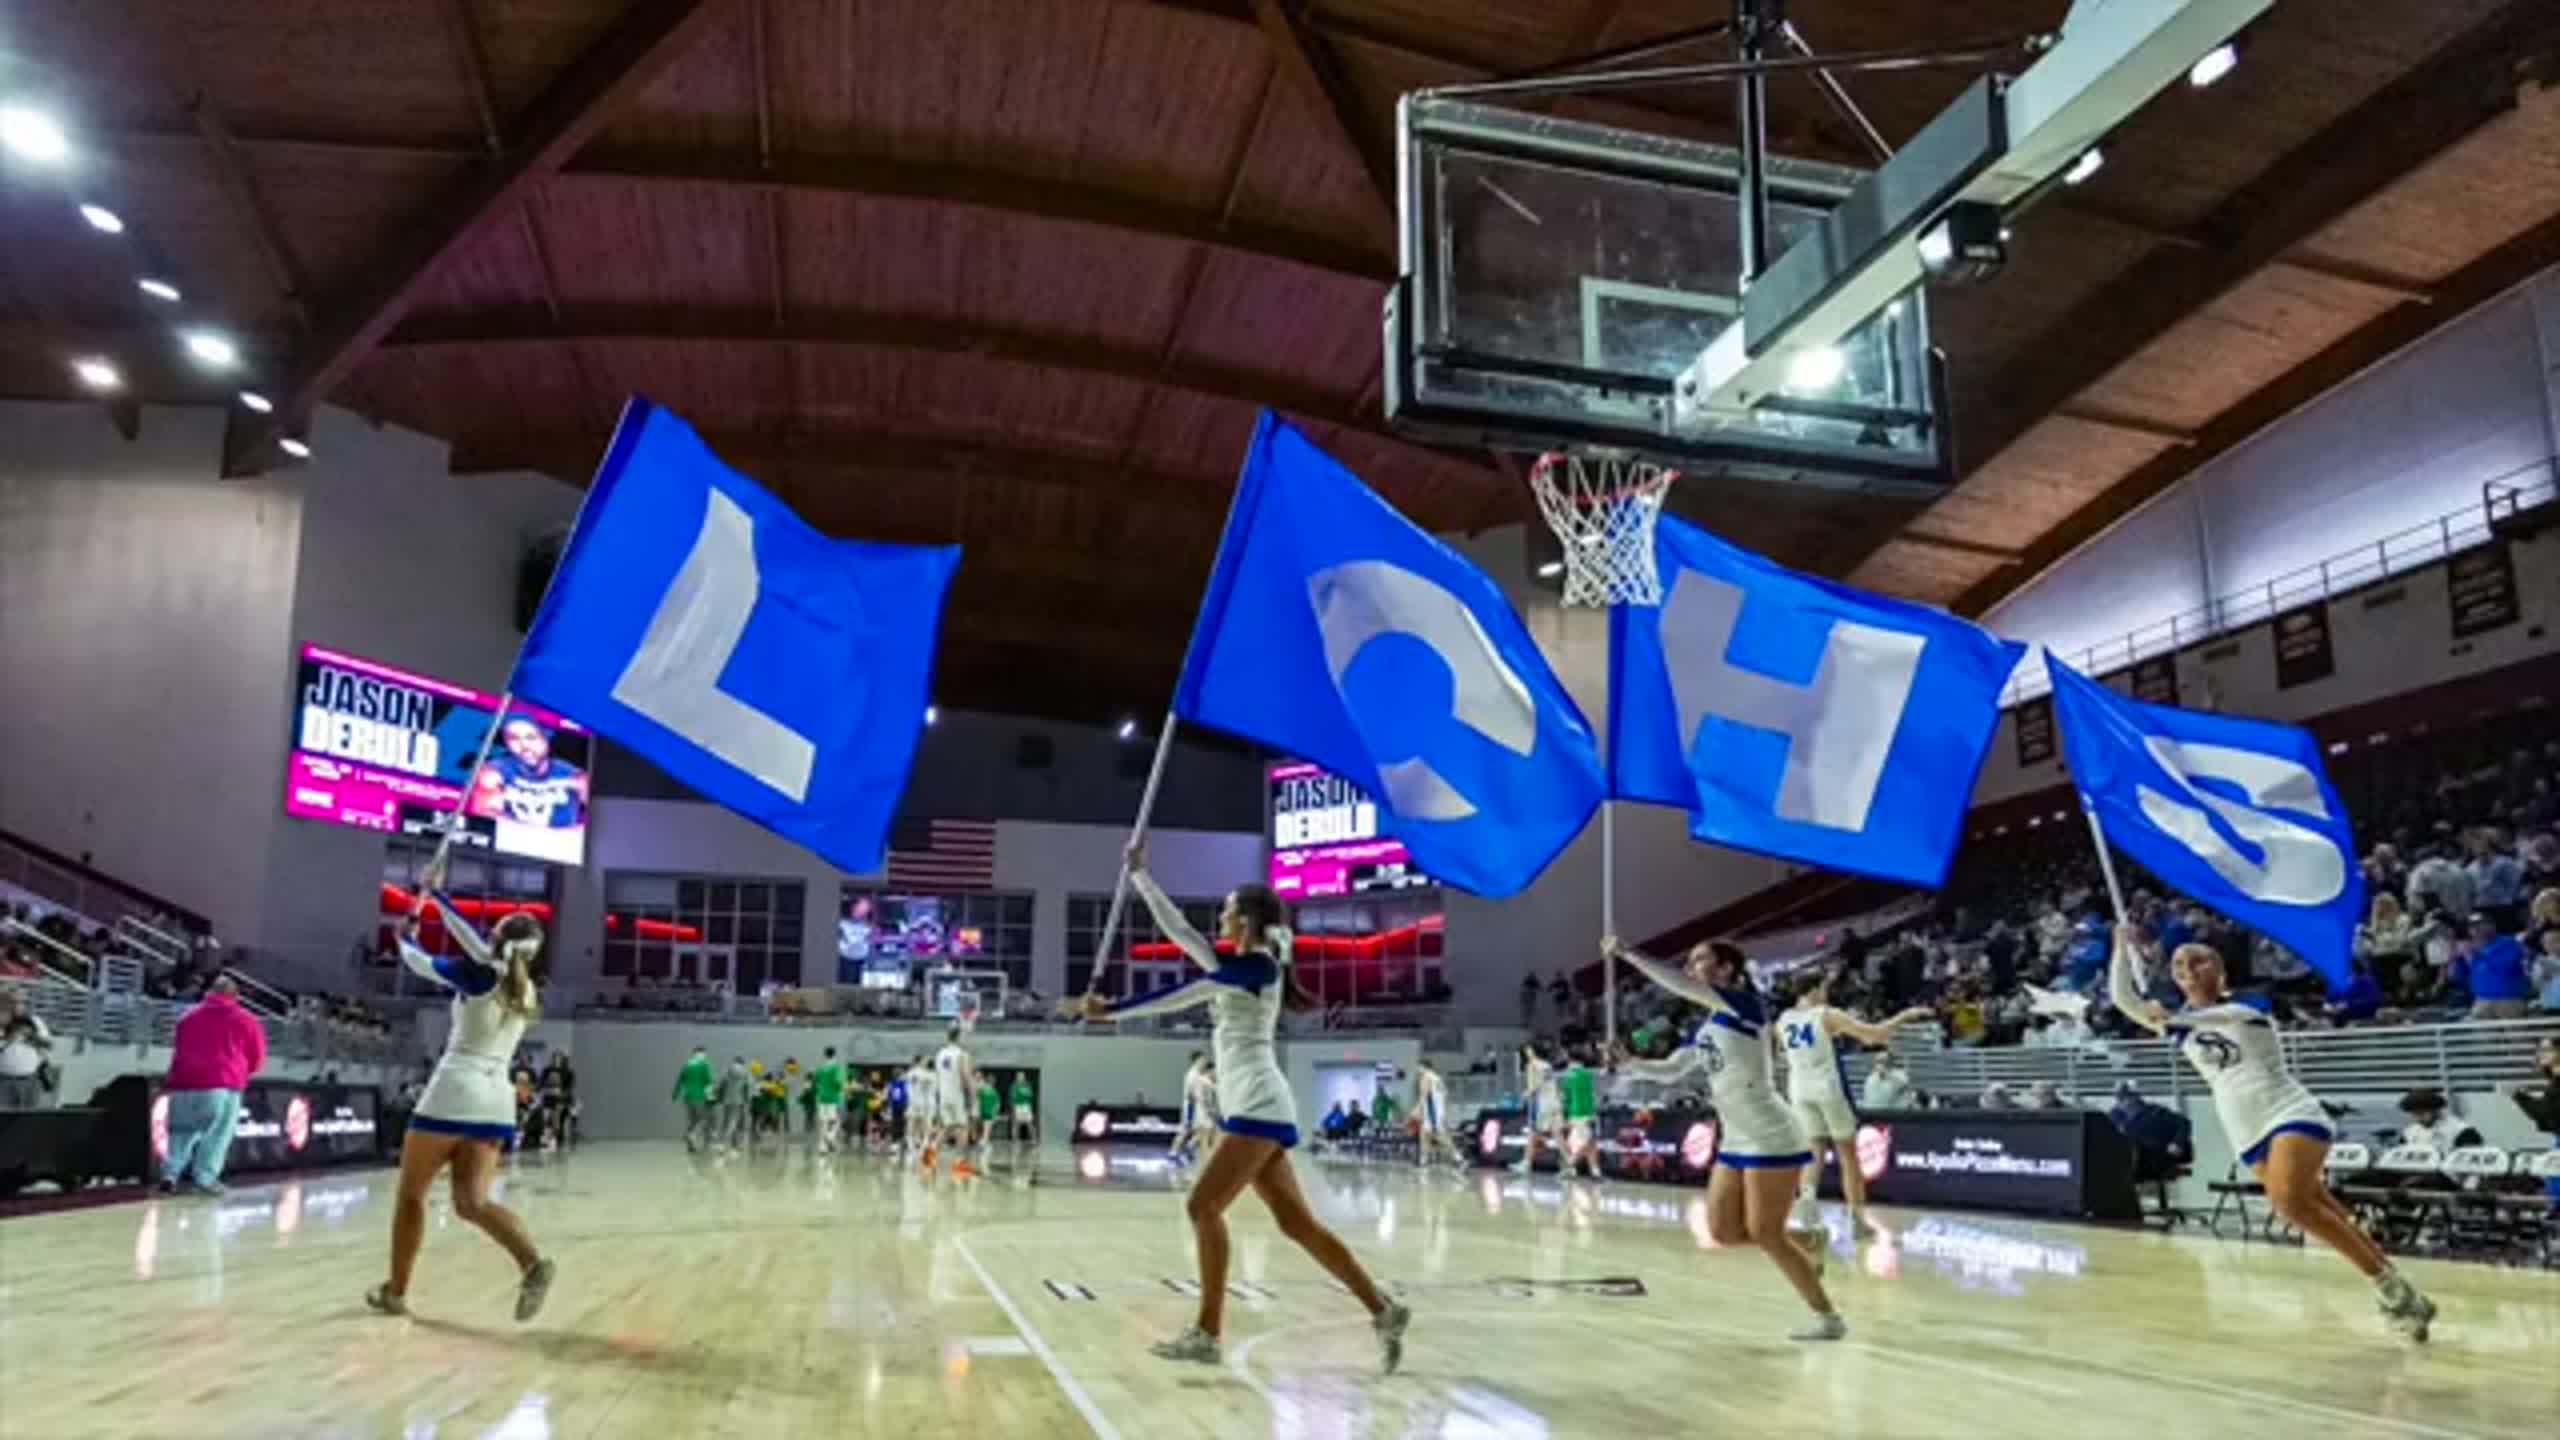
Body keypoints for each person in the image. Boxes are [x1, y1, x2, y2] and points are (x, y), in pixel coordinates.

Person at [1074, 840, 1409, 1372]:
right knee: (1297, 1225)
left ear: (1248, 922)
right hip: (1256, 1107)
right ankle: (1383, 1308)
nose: (1222, 919)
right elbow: (1180, 933)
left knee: (1202, 1206)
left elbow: (1185, 993)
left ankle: (1207, 1332)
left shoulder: (1258, 967)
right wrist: (1140, 876)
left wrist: (1111, 1011)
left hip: (1259, 1104)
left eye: (1229, 912)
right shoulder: (1237, 965)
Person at [2105, 920, 2434, 1340]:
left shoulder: (2247, 1005)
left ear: (2220, 972)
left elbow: (2211, 1019)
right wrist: (2120, 946)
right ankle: (2402, 1292)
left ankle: (2389, 1290)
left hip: (2289, 1110)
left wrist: (2168, 1019)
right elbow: (2122, 998)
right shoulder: (2181, 1021)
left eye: (2198, 959)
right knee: (2317, 1206)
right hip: (2244, 1127)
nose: (2187, 965)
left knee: (2289, 1202)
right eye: (2178, 962)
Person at [1604, 935, 1844, 1341]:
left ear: (1726, 970)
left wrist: (1628, 954)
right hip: (1734, 1140)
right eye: (1692, 960)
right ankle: (1807, 1239)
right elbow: (1672, 1070)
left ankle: (1827, 1317)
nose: (1692, 968)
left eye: (1701, 960)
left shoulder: (1745, 1006)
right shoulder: (1708, 1026)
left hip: (1771, 1134)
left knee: (1766, 1233)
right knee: (1724, 1232)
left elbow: (1680, 986)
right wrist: (1632, 1064)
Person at [367, 873, 554, 1320]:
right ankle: (531, 1262)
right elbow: (477, 945)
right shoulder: (524, 987)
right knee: (473, 1202)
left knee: (411, 1196)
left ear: (498, 938)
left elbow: (419, 963)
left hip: (453, 1091)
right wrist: (437, 897)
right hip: (496, 1102)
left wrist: (404, 939)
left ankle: (396, 1291)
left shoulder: (477, 975)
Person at [1777, 974, 1930, 1225]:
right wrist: (1905, 1016)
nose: (1826, 994)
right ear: (1814, 990)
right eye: (1824, 989)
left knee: (1814, 1149)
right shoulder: (1827, 1014)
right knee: (1848, 1155)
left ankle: (1806, 1203)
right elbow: (1875, 1036)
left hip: (1798, 1089)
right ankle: (1857, 1221)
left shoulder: (1783, 1019)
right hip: (1825, 1087)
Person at [159, 974, 268, 1196]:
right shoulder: (245, 1019)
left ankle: (170, 1174)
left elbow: (179, 1048)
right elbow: (256, 1056)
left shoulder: (187, 1017)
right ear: (235, 996)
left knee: (180, 1132)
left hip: (183, 1082)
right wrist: (243, 1071)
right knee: (217, 1134)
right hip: (222, 1084)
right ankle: (205, 1178)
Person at [466, 716, 587, 829]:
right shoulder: (492, 773)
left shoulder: (576, 777)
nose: (524, 746)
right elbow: (486, 815)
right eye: (514, 738)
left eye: (531, 737)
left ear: (546, 739)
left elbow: (601, 822)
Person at [2502, 1036, 2560, 1200]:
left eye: (2546, 1050)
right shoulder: (2554, 1082)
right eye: (2539, 1050)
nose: (2540, 1054)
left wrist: (2518, 1096)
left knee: (2555, 1183)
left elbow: (2545, 1112)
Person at [928, 1027, 977, 1176]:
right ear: (959, 1037)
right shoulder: (962, 1054)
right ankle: (959, 1163)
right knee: (963, 1128)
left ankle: (928, 1157)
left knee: (947, 1127)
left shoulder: (940, 1054)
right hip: (956, 1095)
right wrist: (972, 1094)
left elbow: (937, 1075)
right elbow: (965, 1075)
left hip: (943, 1095)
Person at [0, 990, 55, 1110]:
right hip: (4, 1081)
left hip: (31, 1080)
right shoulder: (2, 1022)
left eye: (23, 1002)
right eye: (14, 1002)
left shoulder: (35, 1021)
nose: (18, 1006)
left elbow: (49, 1045)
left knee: (27, 1119)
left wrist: (32, 1036)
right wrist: (10, 1037)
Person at [1515, 1042, 1561, 1176]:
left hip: (1538, 1103)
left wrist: (1524, 1096)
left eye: (1527, 1050)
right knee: (1550, 1134)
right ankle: (1566, 1161)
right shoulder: (1547, 1065)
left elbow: (1533, 1087)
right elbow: (1552, 1084)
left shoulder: (1532, 1065)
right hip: (1551, 1101)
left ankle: (1526, 1164)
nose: (1526, 1053)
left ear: (1532, 1051)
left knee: (1533, 1133)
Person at [1556, 1049, 1600, 1180]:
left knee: (1587, 1143)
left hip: (1574, 1113)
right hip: (1589, 1113)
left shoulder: (1567, 1075)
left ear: (1570, 1059)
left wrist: (1564, 1115)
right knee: (1587, 1142)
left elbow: (1565, 1097)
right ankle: (1576, 1167)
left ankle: (1577, 1166)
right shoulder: (1588, 1074)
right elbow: (1592, 1095)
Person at [1173, 1051, 1219, 1167]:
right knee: (1187, 1130)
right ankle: (1173, 1154)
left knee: (1204, 1130)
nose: (1204, 1061)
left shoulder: (1199, 1075)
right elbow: (1195, 1094)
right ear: (1197, 1060)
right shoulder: (1193, 1075)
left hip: (1197, 1105)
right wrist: (1206, 1108)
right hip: (1192, 1105)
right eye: (1203, 1059)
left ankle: (1188, 1148)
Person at [1413, 1058, 1459, 1169]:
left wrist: (1417, 1109)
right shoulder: (1438, 1078)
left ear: (1423, 1066)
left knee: (1439, 1136)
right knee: (1423, 1135)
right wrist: (1444, 1113)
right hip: (1438, 1112)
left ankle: (1458, 1158)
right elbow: (1445, 1096)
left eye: (1418, 1067)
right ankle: (1423, 1160)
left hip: (1432, 1112)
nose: (1417, 1069)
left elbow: (1423, 1095)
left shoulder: (1426, 1077)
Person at [674, 1045, 715, 1152]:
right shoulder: (704, 1065)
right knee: (705, 1119)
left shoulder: (687, 1065)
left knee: (692, 1120)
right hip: (699, 1096)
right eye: (704, 1053)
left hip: (687, 1097)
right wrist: (711, 1098)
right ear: (700, 1053)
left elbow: (680, 1081)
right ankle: (704, 1142)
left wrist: (675, 1094)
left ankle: (690, 1142)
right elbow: (709, 1081)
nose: (705, 1056)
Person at [812, 1047, 846, 1156]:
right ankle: (830, 1137)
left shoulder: (820, 1067)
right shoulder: (836, 1067)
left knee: (823, 1122)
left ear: (825, 1055)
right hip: (833, 1098)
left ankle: (823, 1147)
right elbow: (838, 1082)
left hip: (821, 1097)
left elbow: (815, 1080)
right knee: (835, 1121)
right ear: (835, 1055)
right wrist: (842, 1088)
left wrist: (819, 1090)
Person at [715, 1055, 752, 1152]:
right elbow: (747, 1087)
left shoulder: (727, 1070)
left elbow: (721, 1084)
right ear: (742, 1062)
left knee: (726, 1122)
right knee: (737, 1123)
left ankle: (731, 1144)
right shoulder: (745, 1072)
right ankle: (726, 1143)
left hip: (727, 1101)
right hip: (739, 1101)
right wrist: (747, 1100)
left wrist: (719, 1098)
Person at [1009, 1070, 1038, 1146]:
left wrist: (1029, 1106)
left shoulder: (1027, 1085)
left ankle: (1034, 1139)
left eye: (1022, 1076)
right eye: (1019, 1076)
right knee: (1016, 1124)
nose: (1020, 1077)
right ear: (1016, 1077)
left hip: (1026, 1106)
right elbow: (1012, 1098)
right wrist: (1014, 1108)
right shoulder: (1014, 1086)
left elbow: (1030, 1095)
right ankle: (1015, 1140)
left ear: (1024, 1077)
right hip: (1018, 1106)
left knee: (1030, 1123)